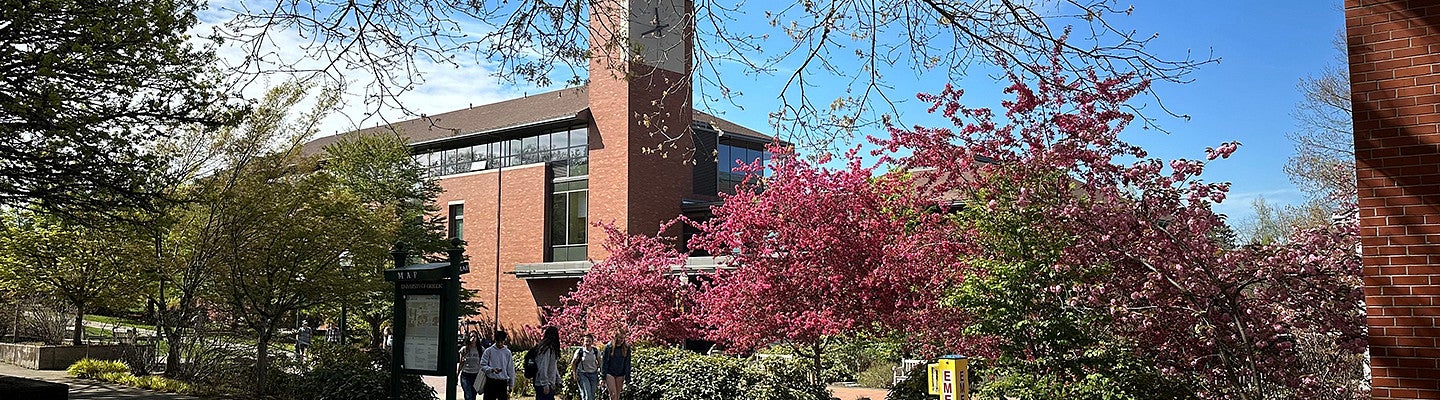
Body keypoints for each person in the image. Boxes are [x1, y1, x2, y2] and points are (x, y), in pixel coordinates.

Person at [479, 330, 514, 400]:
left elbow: (510, 369)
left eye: (502, 341)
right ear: (495, 340)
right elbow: (482, 365)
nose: (500, 344)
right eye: (498, 341)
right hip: (491, 381)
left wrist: (511, 384)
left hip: (502, 382)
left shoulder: (507, 352)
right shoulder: (489, 351)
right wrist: (491, 369)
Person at [531, 326, 562, 400]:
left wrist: (558, 379)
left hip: (546, 383)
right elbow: (543, 367)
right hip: (543, 384)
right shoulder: (547, 349)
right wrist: (545, 384)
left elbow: (553, 365)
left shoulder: (549, 349)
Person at [600, 327, 631, 400]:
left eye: (623, 338)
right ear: (616, 337)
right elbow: (604, 362)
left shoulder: (626, 347)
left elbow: (627, 364)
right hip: (610, 373)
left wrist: (627, 378)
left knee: (617, 396)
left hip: (620, 373)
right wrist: (603, 377)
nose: (621, 340)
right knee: (613, 395)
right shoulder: (609, 347)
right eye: (620, 338)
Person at [571, 333, 602, 400]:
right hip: (582, 374)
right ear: (583, 342)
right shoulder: (580, 351)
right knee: (588, 395)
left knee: (592, 394)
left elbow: (600, 362)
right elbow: (573, 363)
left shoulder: (596, 351)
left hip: (593, 374)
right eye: (586, 341)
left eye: (589, 341)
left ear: (592, 342)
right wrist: (574, 373)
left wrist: (601, 373)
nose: (588, 343)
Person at [459, 333, 484, 400]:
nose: (473, 338)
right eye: (471, 336)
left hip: (476, 375)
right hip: (466, 375)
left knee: (473, 396)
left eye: (474, 336)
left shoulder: (480, 349)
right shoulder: (464, 349)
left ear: (477, 338)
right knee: (468, 395)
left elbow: (484, 362)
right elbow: (461, 363)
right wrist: (457, 373)